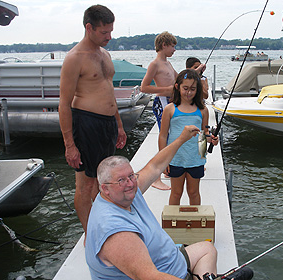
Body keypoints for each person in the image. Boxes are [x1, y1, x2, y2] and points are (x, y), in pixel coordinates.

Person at [85, 125, 218, 280]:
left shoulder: (123, 194)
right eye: (121, 180)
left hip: (170, 261)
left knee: (207, 249)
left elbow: (154, 166)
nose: (130, 183)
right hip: (162, 274)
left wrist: (182, 139)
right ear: (104, 188)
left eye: (131, 176)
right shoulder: (116, 231)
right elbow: (149, 276)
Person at [58, 4, 127, 234]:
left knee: (105, 180)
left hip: (108, 124)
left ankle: (103, 226)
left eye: (111, 31)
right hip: (86, 123)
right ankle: (90, 233)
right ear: (89, 27)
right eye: (104, 32)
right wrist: (70, 145)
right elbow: (64, 104)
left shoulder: (105, 53)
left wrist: (118, 125)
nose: (109, 37)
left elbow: (109, 91)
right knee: (86, 185)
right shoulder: (74, 58)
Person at [158, 69, 218, 205]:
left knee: (194, 192)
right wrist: (163, 160)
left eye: (193, 89)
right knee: (176, 192)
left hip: (195, 160)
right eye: (185, 88)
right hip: (175, 159)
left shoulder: (203, 110)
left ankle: (196, 222)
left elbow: (204, 135)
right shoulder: (169, 109)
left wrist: (211, 140)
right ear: (177, 87)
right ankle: (173, 223)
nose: (189, 92)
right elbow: (162, 136)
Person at [141, 31, 178, 190]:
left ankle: (167, 168)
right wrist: (167, 89)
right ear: (164, 45)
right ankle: (157, 175)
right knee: (165, 136)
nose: (174, 50)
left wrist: (196, 72)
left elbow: (180, 78)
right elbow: (144, 87)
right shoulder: (155, 64)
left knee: (173, 135)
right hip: (161, 102)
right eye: (172, 46)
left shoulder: (168, 63)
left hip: (171, 102)